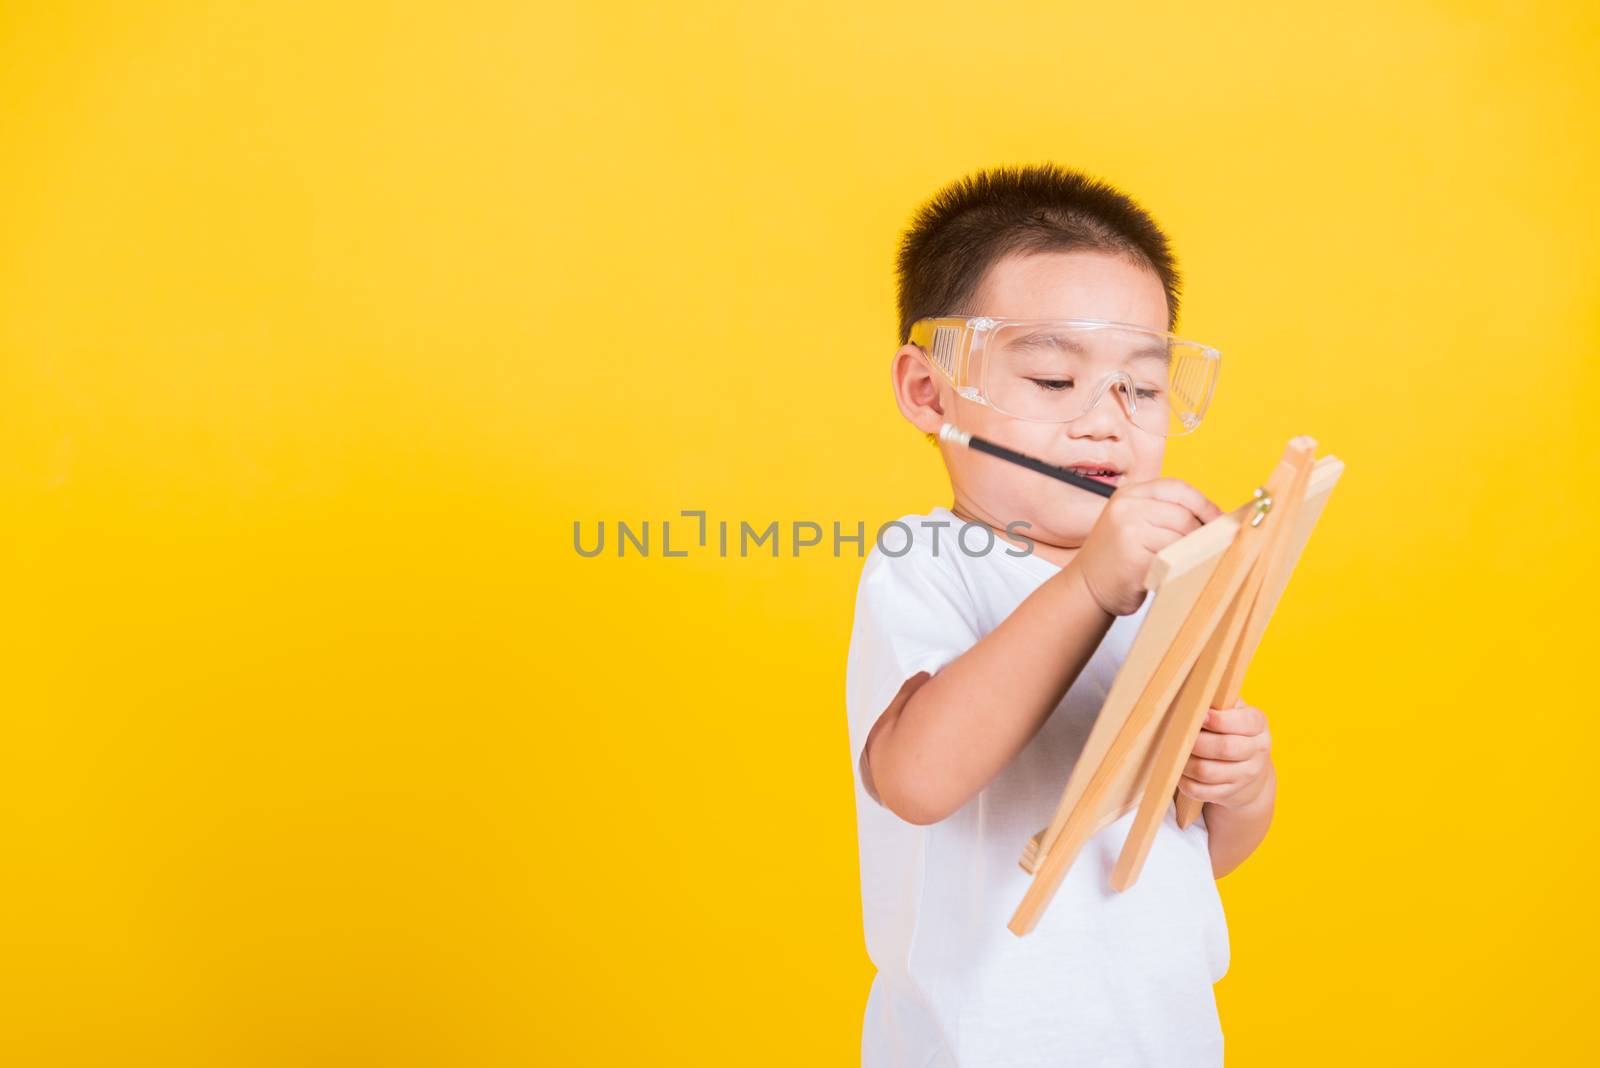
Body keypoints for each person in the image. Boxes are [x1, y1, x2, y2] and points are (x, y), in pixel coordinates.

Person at [845, 163, 1278, 1066]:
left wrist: (1238, 785)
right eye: (1051, 379)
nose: (1107, 422)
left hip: (1169, 1040)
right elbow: (915, 781)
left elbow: (1178, 849)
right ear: (930, 393)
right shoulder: (930, 561)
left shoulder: (1166, 583)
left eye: (1146, 388)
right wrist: (1087, 587)